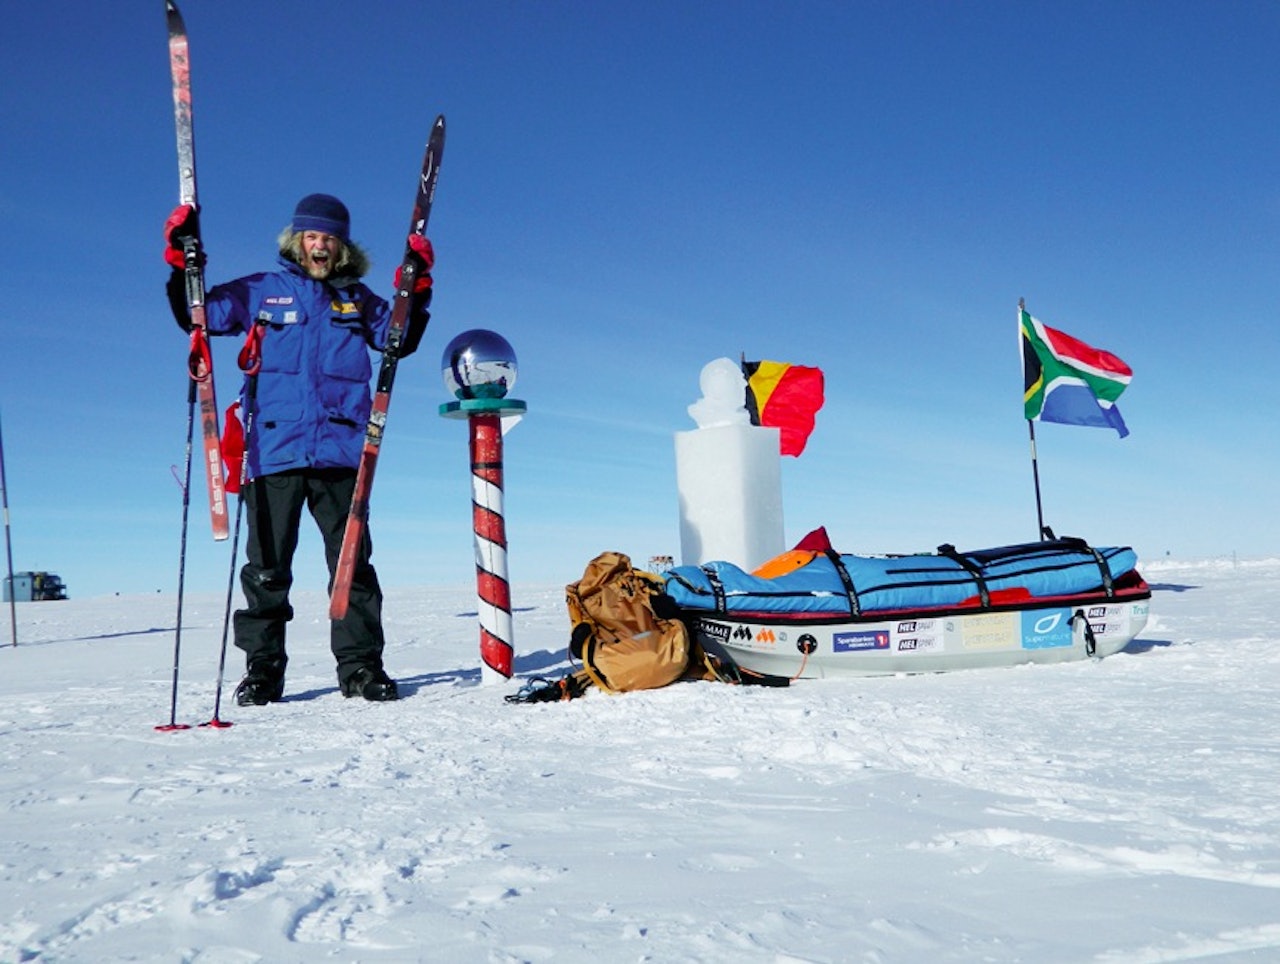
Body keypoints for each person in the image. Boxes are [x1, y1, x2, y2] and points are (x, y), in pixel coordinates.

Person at [163, 193, 434, 704]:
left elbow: (399, 337)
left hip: (341, 453)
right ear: (297, 240)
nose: (320, 246)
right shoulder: (262, 292)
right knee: (267, 570)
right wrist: (184, 262)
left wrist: (416, 289)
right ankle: (263, 672)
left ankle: (360, 669)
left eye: (329, 238)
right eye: (312, 236)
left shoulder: (357, 300)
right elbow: (197, 315)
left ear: (341, 246)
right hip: (273, 453)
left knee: (351, 568)